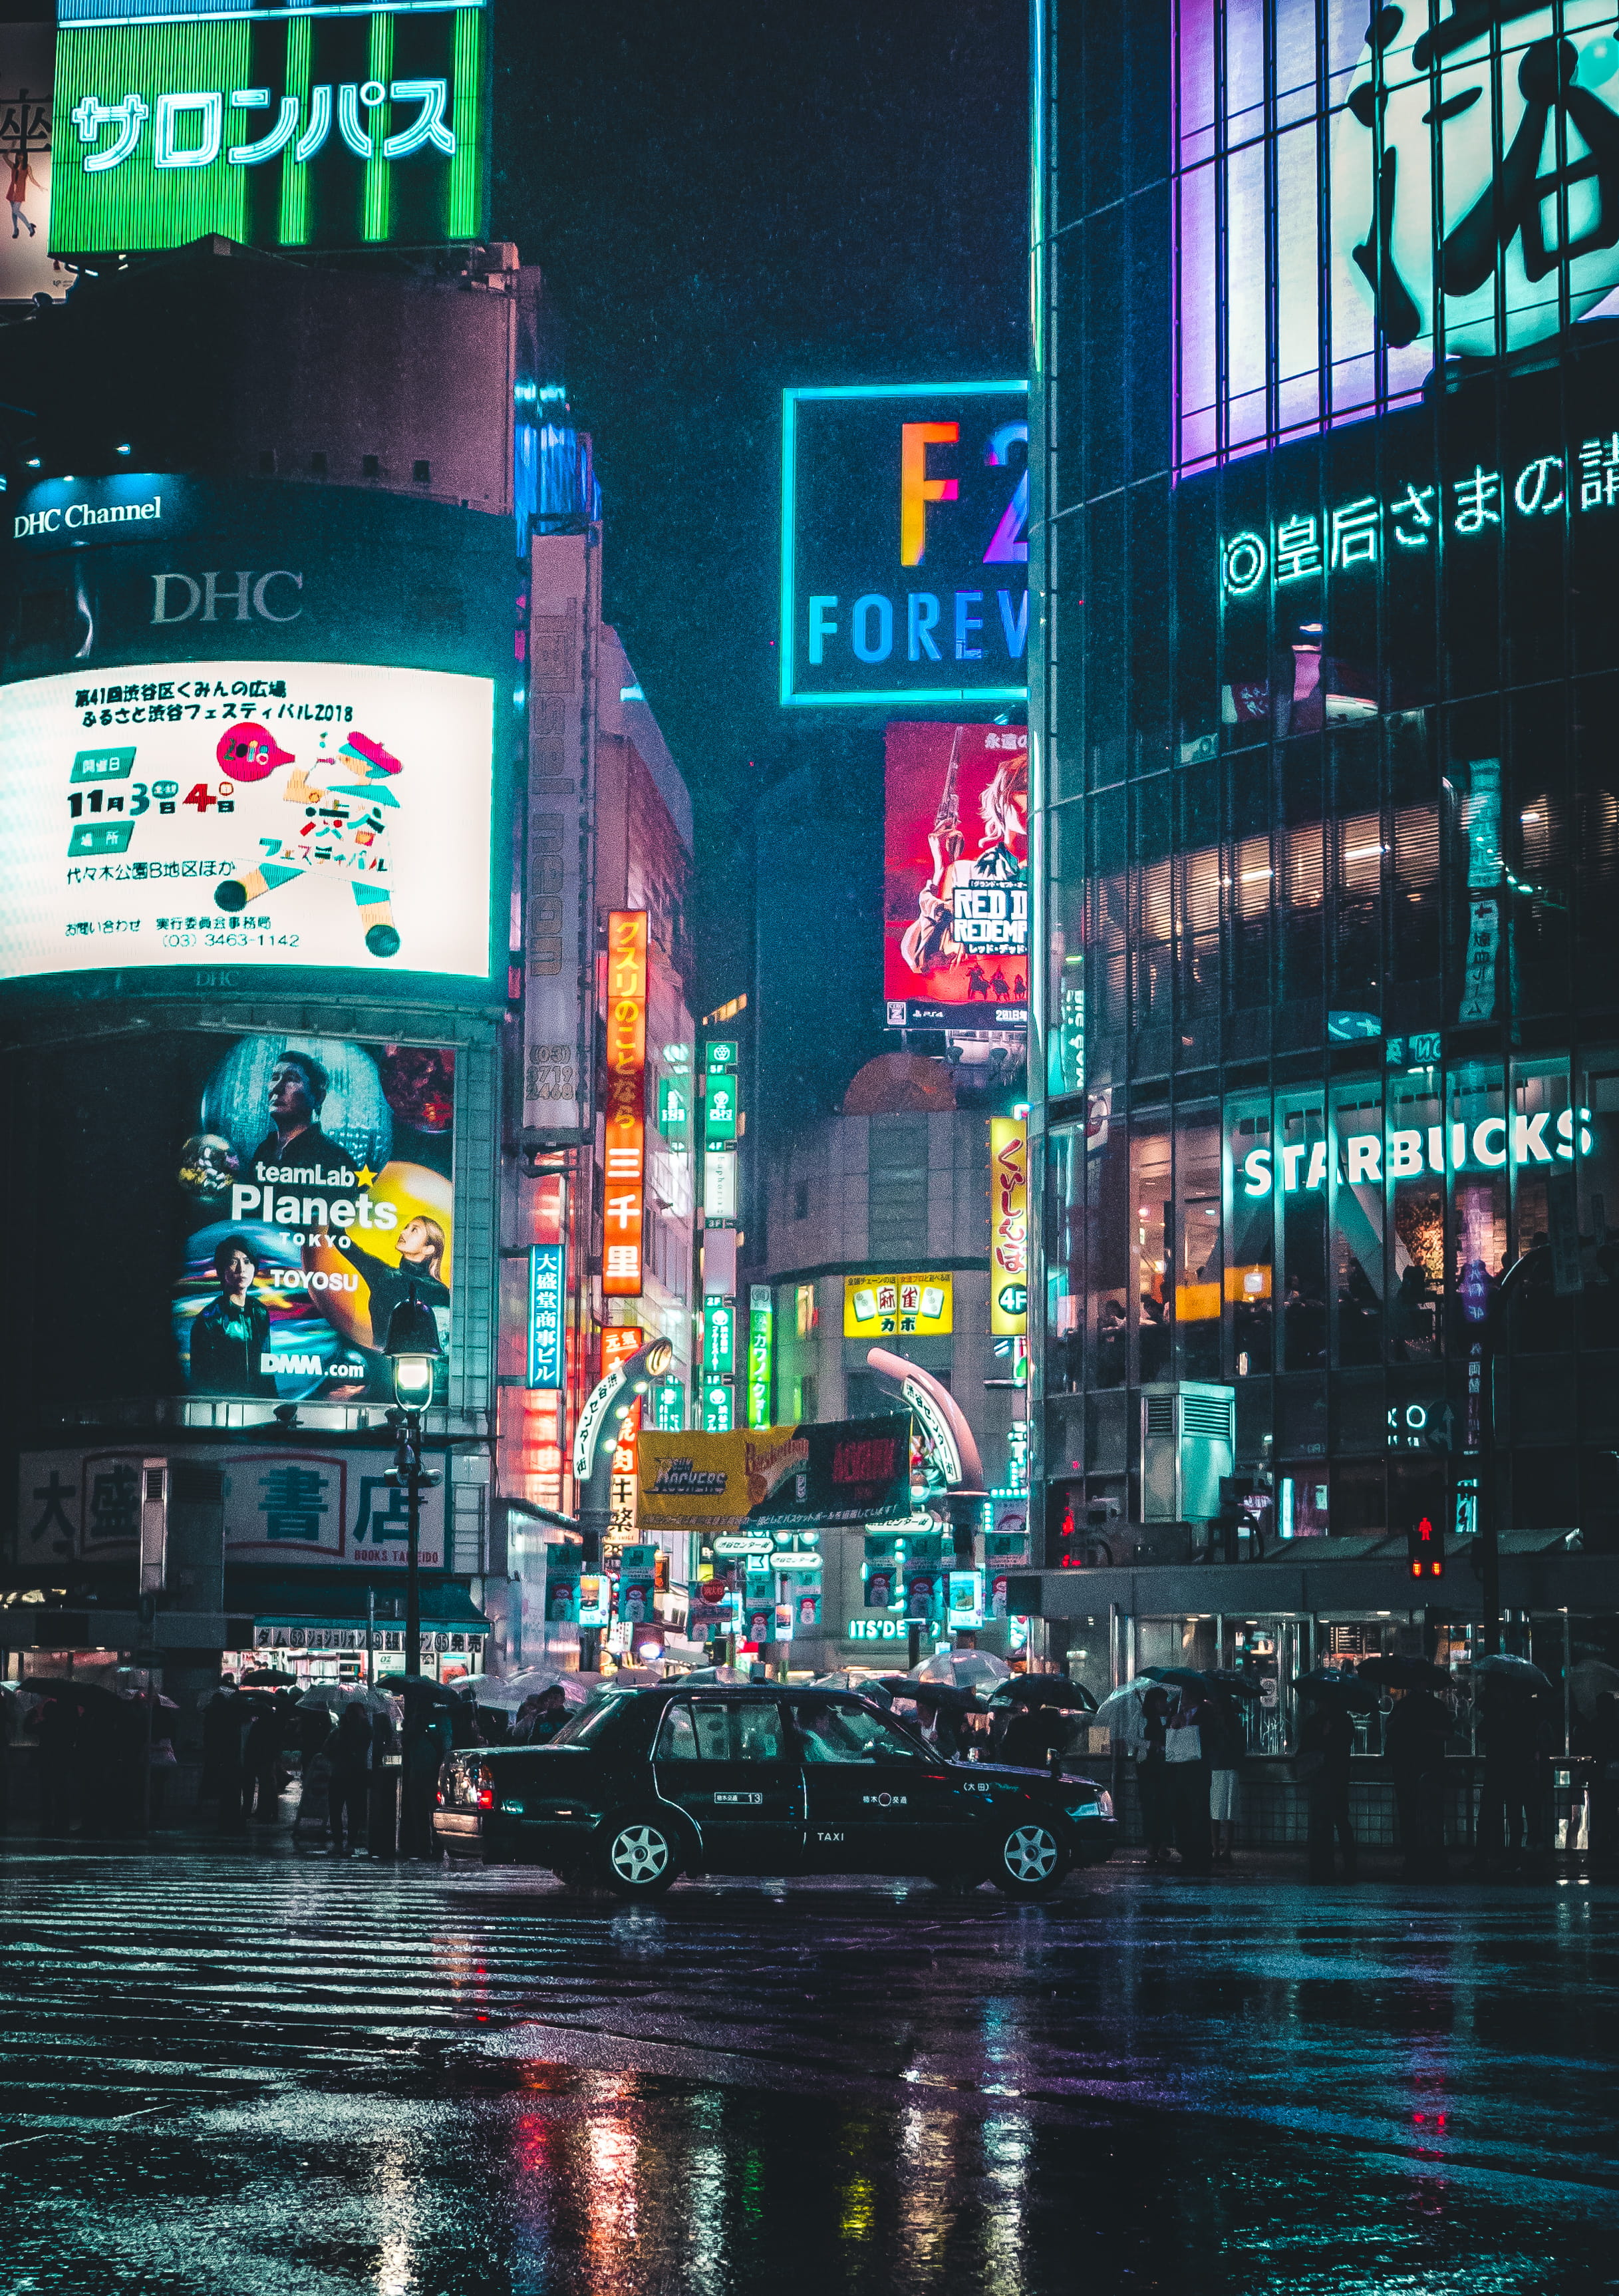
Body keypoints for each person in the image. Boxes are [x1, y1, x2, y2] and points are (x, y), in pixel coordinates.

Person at [335, 1215, 450, 1349]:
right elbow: (340, 1240)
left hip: (415, 1365)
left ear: (428, 1249)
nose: (403, 1232)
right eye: (406, 1227)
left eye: (414, 1230)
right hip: (381, 1364)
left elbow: (444, 1344)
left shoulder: (438, 1292)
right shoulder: (383, 1274)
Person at [190, 1235, 277, 1397]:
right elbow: (202, 1379)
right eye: (233, 1262)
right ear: (222, 1269)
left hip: (259, 1405)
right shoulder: (210, 1319)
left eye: (247, 1261)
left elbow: (266, 1367)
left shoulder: (260, 1312)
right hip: (223, 1406)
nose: (241, 1269)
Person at [248, 1050, 350, 1180]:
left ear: (318, 1097)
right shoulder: (264, 1148)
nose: (276, 1088)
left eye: (291, 1079)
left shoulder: (336, 1159)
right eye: (275, 1078)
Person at [1385, 1685, 1450, 1881]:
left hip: (1406, 1768)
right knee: (1432, 1816)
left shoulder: (1402, 1707)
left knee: (1408, 1816)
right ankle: (1434, 1860)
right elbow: (1448, 1733)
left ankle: (1413, 1860)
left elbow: (1390, 1729)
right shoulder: (1437, 1707)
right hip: (1430, 1767)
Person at [1301, 1697, 1358, 1881]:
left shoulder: (1337, 1721)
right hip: (1331, 1777)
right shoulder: (1338, 1721)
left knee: (1333, 1821)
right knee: (1334, 1822)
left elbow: (1341, 1745)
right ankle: (1332, 1865)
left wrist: (1324, 1738)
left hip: (1330, 1777)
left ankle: (1331, 1866)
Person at [1165, 1688, 1213, 1872]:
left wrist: (1188, 1727)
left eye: (1185, 1695)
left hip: (1198, 1770)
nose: (1182, 1698)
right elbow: (1169, 1739)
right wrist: (1174, 1725)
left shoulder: (1207, 1713)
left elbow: (1210, 1738)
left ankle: (1200, 1850)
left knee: (1198, 1809)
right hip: (1178, 1769)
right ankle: (1184, 1848)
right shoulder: (1176, 1713)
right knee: (1181, 1809)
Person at [1575, 1691, 1619, 1872]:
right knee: (1613, 1808)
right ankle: (1613, 1841)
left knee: (1600, 1810)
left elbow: (1588, 1744)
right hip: (1613, 1773)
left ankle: (1601, 1843)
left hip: (1600, 1773)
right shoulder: (1615, 1724)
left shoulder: (1595, 1724)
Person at [1204, 1691, 1245, 1865]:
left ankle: (1222, 1849)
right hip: (1223, 1767)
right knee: (1222, 1811)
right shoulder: (1221, 1722)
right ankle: (1219, 1849)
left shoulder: (1229, 1723)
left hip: (1221, 1767)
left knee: (1223, 1811)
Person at [1135, 1685, 1173, 1866]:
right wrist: (1150, 1744)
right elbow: (1130, 1737)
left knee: (1165, 1805)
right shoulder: (1141, 1718)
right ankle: (1151, 1845)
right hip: (1147, 1766)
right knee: (1149, 1805)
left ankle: (1164, 1844)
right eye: (1161, 1701)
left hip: (1165, 1766)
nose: (1164, 1704)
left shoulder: (1170, 1717)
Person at [328, 1704, 373, 1855]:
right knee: (351, 1811)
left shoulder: (340, 1731)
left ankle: (340, 1842)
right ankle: (348, 1843)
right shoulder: (362, 1732)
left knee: (338, 1809)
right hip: (353, 1774)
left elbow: (326, 1749)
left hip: (341, 1774)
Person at [243, 1703, 284, 1826]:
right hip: (267, 1758)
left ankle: (258, 1811)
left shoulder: (258, 1726)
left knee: (262, 1784)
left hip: (259, 1758)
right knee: (267, 1785)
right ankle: (267, 1810)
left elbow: (252, 1743)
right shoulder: (273, 1725)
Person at [7, 145, 36, 239]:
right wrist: (11, 146)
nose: (20, 157)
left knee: (16, 210)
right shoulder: (14, 166)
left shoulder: (27, 167)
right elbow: (4, 157)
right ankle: (15, 229)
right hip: (12, 190)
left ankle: (29, 227)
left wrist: (39, 186)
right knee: (14, 212)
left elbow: (31, 178)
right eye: (19, 155)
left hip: (20, 191)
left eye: (22, 155)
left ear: (25, 156)